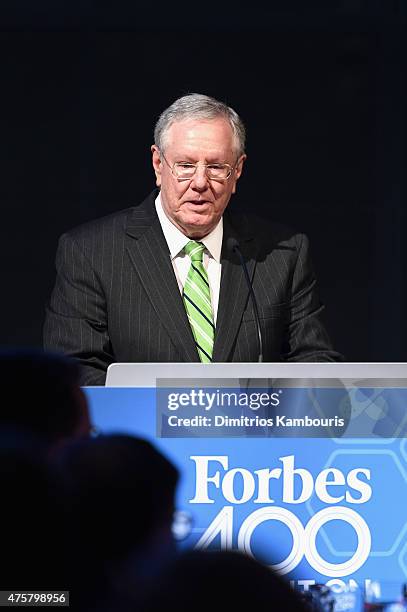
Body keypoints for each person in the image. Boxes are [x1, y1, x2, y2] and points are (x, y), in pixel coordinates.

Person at [44, 93, 342, 385]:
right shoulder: (91, 252)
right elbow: (75, 372)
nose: (200, 183)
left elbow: (315, 365)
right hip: (142, 431)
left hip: (251, 431)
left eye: (215, 167)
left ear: (237, 171)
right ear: (158, 164)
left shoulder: (282, 254)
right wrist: (173, 413)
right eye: (185, 166)